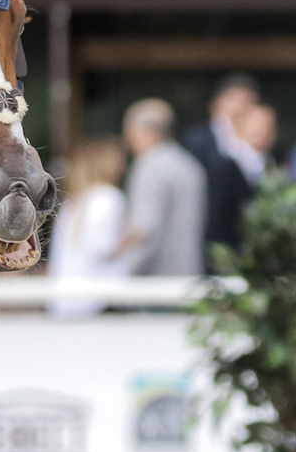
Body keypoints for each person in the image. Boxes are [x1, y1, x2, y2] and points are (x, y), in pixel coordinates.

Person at [118, 98, 205, 279]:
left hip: (154, 281)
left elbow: (144, 230)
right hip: (189, 274)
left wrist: (121, 272)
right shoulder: (189, 164)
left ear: (148, 132)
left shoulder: (149, 166)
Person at [181, 73, 265, 259]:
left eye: (250, 103)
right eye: (239, 101)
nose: (243, 108)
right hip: (204, 227)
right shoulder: (197, 140)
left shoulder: (257, 140)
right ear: (218, 102)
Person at [50, 136, 131, 317]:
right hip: (100, 299)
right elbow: (103, 247)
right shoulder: (109, 197)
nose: (123, 168)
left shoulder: (72, 202)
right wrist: (131, 240)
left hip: (66, 299)